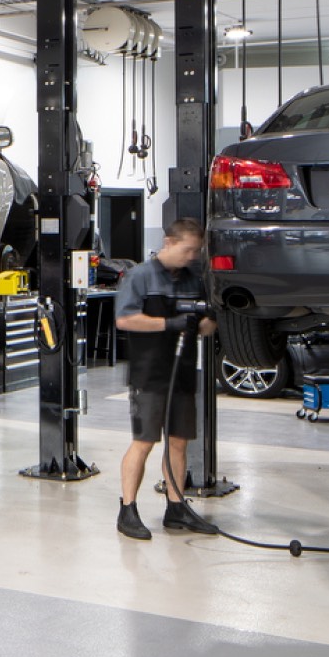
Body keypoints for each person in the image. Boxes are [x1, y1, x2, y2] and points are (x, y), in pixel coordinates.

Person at [112, 217, 220, 540]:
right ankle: (127, 510)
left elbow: (207, 325)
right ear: (169, 242)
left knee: (178, 442)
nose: (191, 256)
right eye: (187, 249)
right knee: (144, 442)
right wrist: (168, 324)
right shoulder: (140, 276)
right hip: (150, 374)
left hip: (183, 371)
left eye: (196, 251)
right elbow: (125, 319)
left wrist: (201, 323)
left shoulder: (194, 279)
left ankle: (176, 508)